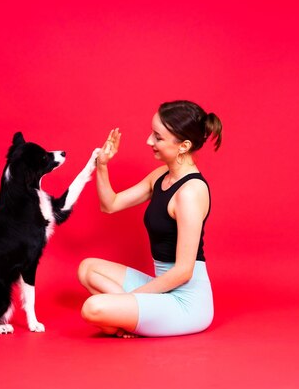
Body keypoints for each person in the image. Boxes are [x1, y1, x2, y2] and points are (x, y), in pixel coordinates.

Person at [78, 100, 222, 338]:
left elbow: (184, 271)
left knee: (93, 308)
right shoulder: (160, 176)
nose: (148, 141)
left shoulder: (190, 192)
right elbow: (110, 205)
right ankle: (131, 318)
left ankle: (127, 316)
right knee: (87, 269)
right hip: (162, 288)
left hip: (186, 302)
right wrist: (102, 165)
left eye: (158, 137)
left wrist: (133, 298)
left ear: (184, 146)